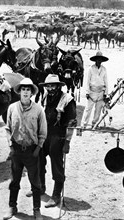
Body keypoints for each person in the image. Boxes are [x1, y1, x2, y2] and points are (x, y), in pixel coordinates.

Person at [3, 78, 47, 220]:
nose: (26, 92)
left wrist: (38, 148)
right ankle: (12, 206)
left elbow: (43, 132)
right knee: (14, 180)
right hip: (16, 150)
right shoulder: (12, 108)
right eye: (23, 89)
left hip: (32, 151)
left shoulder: (39, 110)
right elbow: (8, 128)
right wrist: (10, 146)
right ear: (19, 92)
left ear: (32, 93)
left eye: (28, 90)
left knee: (35, 182)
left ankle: (36, 209)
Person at [36, 74, 77, 208]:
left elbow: (71, 122)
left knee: (57, 165)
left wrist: (67, 142)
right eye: (48, 86)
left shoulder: (68, 99)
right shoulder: (46, 96)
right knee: (39, 159)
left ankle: (56, 195)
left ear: (59, 86)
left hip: (58, 135)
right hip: (45, 134)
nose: (50, 88)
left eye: (53, 85)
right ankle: (40, 187)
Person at [80, 51, 109, 129]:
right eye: (97, 60)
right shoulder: (91, 69)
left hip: (101, 91)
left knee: (98, 109)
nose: (99, 61)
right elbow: (87, 81)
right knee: (88, 108)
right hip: (92, 91)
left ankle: (94, 124)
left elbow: (106, 81)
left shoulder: (104, 69)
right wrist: (87, 92)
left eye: (100, 60)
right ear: (95, 60)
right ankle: (84, 125)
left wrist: (106, 93)